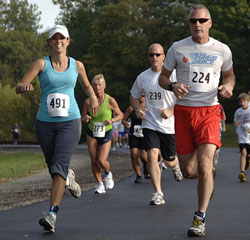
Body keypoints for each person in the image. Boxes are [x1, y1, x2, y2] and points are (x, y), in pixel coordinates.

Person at [158, 4, 235, 237]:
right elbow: (162, 77)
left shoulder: (222, 49)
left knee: (203, 164)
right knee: (190, 170)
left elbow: (230, 75)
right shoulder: (177, 47)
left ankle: (199, 218)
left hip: (209, 112)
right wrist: (172, 85)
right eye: (193, 21)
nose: (197, 25)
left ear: (210, 23)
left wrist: (228, 87)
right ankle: (207, 179)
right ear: (190, 24)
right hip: (183, 112)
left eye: (202, 21)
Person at [16, 25, 99, 233]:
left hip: (70, 121)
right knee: (53, 166)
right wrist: (25, 87)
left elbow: (87, 85)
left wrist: (93, 97)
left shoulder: (77, 65)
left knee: (58, 166)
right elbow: (20, 85)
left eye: (63, 38)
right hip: (44, 122)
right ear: (50, 42)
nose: (59, 41)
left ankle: (52, 213)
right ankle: (67, 177)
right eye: (55, 38)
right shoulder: (41, 64)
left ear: (68, 41)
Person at [130, 43, 183, 206]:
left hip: (169, 125)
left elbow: (184, 98)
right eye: (151, 54)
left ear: (164, 57)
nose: (154, 57)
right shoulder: (143, 77)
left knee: (168, 161)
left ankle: (175, 164)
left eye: (157, 55)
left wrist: (171, 111)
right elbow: (133, 96)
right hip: (150, 123)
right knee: (152, 154)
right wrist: (138, 109)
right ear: (148, 57)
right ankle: (158, 193)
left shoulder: (173, 76)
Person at [82, 74, 123, 194]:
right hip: (92, 131)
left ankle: (107, 173)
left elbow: (119, 114)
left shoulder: (110, 100)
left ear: (104, 86)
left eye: (100, 85)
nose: (97, 87)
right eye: (94, 85)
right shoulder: (88, 101)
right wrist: (86, 118)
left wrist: (112, 120)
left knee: (101, 160)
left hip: (106, 131)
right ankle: (100, 183)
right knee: (94, 160)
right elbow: (83, 117)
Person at [122, 95, 149, 183]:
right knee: (134, 155)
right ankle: (138, 175)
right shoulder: (131, 108)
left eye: (143, 96)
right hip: (134, 134)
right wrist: (126, 123)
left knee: (144, 158)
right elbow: (123, 120)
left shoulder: (148, 107)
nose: (142, 97)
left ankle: (146, 165)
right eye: (140, 96)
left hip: (145, 134)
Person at [234, 93, 250, 182]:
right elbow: (235, 121)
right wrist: (235, 124)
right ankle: (242, 172)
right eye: (241, 102)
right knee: (243, 153)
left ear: (248, 102)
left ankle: (247, 162)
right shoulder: (238, 111)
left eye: (244, 101)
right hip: (242, 135)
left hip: (249, 135)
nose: (243, 103)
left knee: (248, 154)